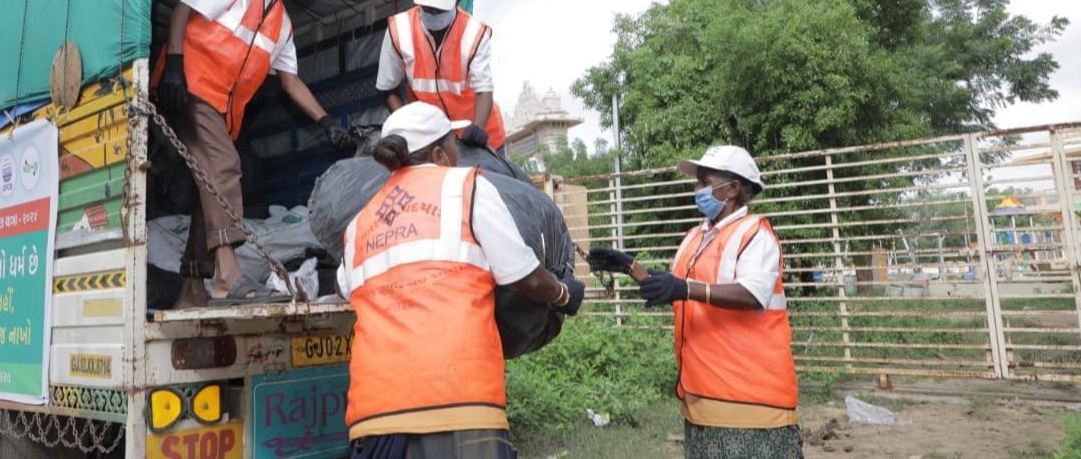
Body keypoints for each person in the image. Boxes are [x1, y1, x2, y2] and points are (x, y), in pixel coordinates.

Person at [339, 102, 585, 458]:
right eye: (455, 144)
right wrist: (564, 294)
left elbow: (346, 288)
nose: (460, 154)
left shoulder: (358, 222)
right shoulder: (465, 188)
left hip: (374, 415)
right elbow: (525, 277)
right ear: (439, 154)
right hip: (459, 401)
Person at [156, 0, 356, 308]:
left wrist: (326, 121)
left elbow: (291, 82)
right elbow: (184, 9)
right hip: (188, 89)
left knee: (210, 190)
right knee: (226, 166)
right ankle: (228, 274)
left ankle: (192, 291)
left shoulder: (281, 22)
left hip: (220, 110)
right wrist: (174, 67)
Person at [588, 145, 802, 459]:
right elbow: (673, 288)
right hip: (701, 401)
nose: (697, 189)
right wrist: (628, 267)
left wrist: (685, 289)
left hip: (751, 404)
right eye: (697, 183)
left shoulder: (754, 234)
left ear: (731, 189)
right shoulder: (696, 237)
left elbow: (751, 294)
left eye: (705, 182)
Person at [376, 0, 506, 152]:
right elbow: (388, 89)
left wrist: (478, 129)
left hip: (478, 135)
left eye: (440, 8)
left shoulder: (475, 33)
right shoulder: (398, 31)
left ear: (458, 0)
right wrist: (409, 128)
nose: (433, 13)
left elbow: (483, 90)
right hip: (432, 139)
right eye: (427, 7)